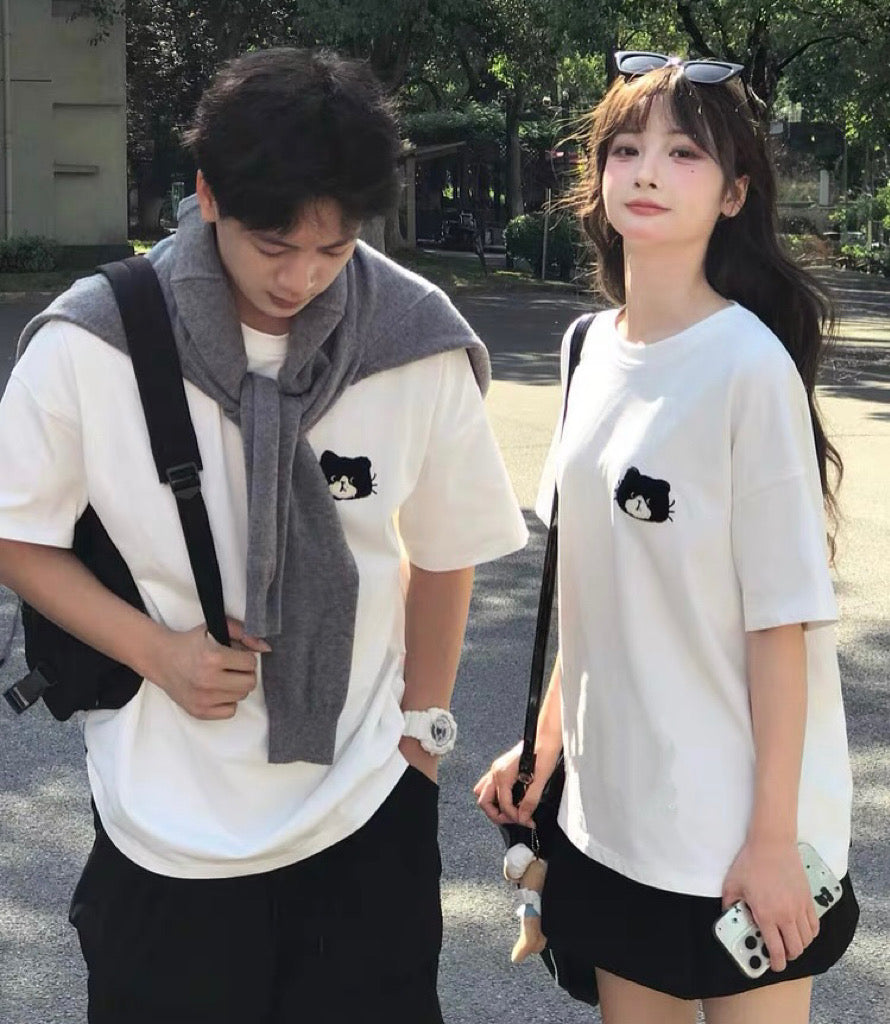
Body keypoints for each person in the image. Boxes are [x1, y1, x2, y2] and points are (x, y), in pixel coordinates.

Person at [0, 48, 528, 1023]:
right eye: (274, 245)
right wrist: (155, 652)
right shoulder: (95, 340)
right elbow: (16, 532)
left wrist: (420, 738)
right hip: (164, 821)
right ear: (207, 195)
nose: (302, 277)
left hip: (365, 805)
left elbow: (444, 549)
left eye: (334, 249)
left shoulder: (412, 339)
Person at [475, 51, 859, 1024]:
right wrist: (544, 745)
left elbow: (780, 624)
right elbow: (590, 588)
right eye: (626, 149)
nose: (646, 170)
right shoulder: (585, 351)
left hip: (740, 831)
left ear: (733, 193)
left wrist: (771, 841)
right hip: (612, 820)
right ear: (596, 176)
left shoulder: (746, 369)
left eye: (683, 153)